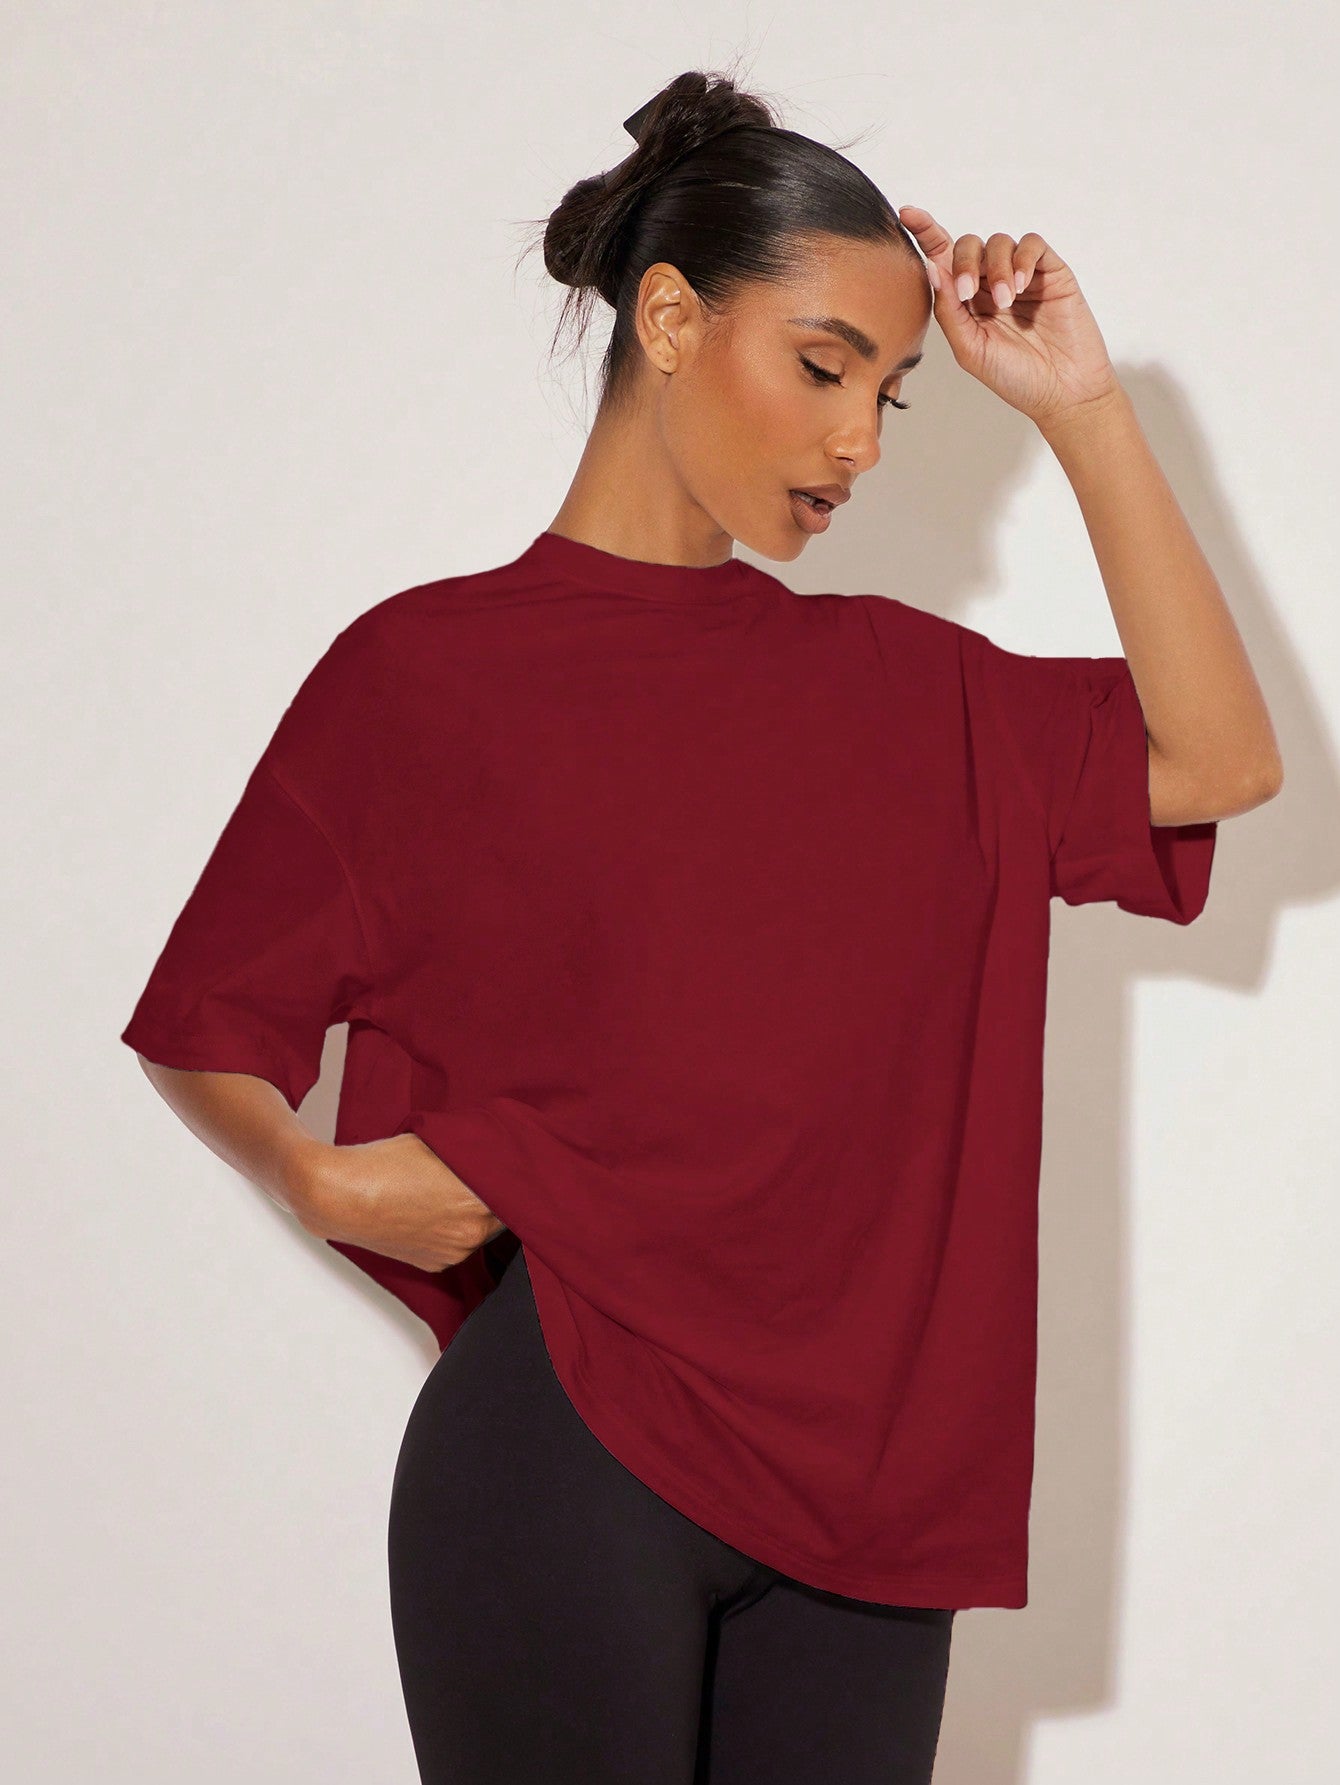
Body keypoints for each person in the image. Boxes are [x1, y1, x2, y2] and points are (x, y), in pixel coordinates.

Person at [118, 67, 1282, 1785]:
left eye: (890, 395)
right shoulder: (425, 676)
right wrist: (312, 1173)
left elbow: (1221, 760)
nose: (860, 442)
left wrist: (1086, 409)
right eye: (824, 368)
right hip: (570, 1442)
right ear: (667, 320)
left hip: (875, 1505)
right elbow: (206, 1020)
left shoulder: (918, 695)